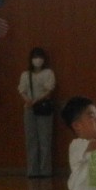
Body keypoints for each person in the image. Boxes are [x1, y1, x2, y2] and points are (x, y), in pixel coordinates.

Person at [19, 47, 57, 178]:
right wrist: (28, 100)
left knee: (45, 139)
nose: (37, 60)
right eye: (35, 57)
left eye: (40, 57)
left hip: (43, 107)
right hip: (29, 108)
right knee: (31, 140)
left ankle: (45, 171)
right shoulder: (25, 74)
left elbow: (49, 90)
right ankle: (32, 171)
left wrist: (36, 100)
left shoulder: (48, 73)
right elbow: (22, 90)